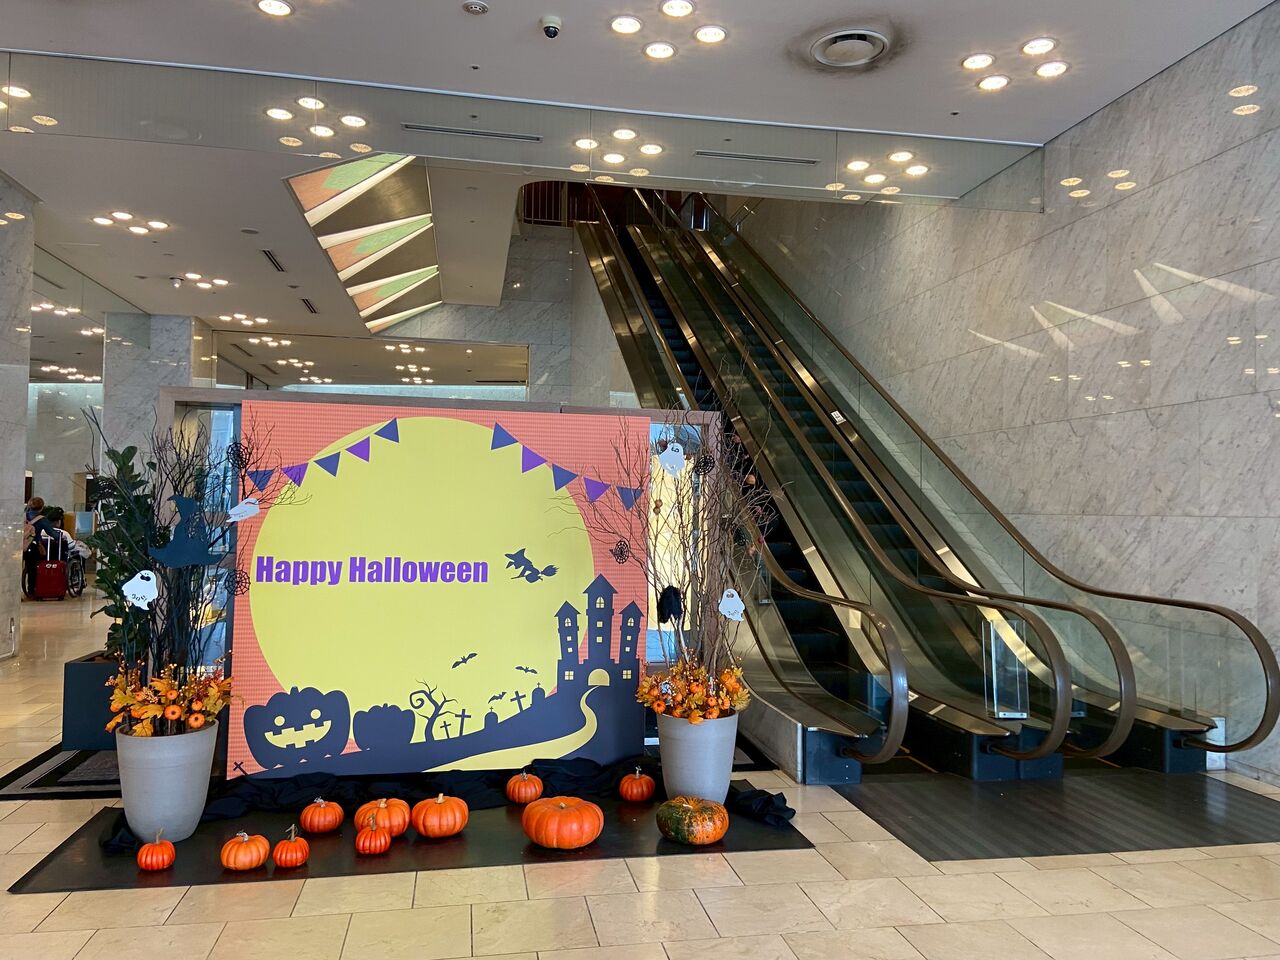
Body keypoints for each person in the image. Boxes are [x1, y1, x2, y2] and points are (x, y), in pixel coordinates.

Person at [22, 496, 62, 598]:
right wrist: (60, 536)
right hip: (32, 546)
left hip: (19, 546)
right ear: (41, 508)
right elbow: (52, 533)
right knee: (33, 568)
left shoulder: (22, 516)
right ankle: (32, 590)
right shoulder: (42, 520)